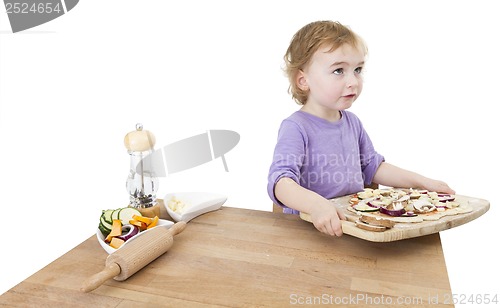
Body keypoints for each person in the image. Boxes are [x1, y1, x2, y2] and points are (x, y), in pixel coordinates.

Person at [267, 20, 454, 237]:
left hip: (351, 228)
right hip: (309, 232)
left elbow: (373, 167)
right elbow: (281, 182)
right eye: (338, 70)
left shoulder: (352, 122)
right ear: (303, 81)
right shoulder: (296, 127)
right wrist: (317, 206)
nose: (353, 81)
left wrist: (423, 182)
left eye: (357, 69)